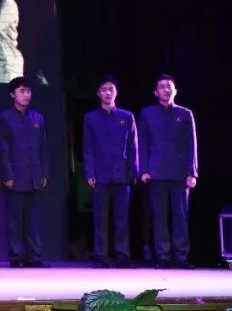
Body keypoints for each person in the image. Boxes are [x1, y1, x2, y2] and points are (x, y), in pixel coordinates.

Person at [138, 74, 197, 269]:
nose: (166, 89)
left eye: (169, 86)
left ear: (175, 90)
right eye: (162, 86)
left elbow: (192, 145)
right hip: (156, 172)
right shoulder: (147, 114)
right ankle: (163, 256)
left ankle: (181, 256)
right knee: (159, 217)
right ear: (156, 92)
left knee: (181, 217)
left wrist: (192, 172)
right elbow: (143, 143)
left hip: (180, 174)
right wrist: (144, 170)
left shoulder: (185, 114)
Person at [83, 75, 138, 268]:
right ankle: (100, 255)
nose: (108, 92)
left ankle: (122, 254)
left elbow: (133, 147)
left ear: (116, 92)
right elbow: (88, 147)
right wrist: (90, 172)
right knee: (100, 217)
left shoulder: (127, 116)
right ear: (98, 93)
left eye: (111, 89)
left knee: (122, 218)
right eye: (104, 89)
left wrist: (134, 172)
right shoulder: (90, 118)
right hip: (100, 174)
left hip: (122, 174)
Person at [0, 76, 49, 268]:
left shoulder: (37, 118)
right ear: (13, 94)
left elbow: (43, 147)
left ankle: (34, 256)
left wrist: (44, 173)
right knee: (15, 220)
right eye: (22, 91)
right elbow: (3, 149)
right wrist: (7, 175)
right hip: (15, 176)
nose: (26, 95)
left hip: (34, 175)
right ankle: (16, 257)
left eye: (28, 91)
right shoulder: (5, 118)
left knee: (33, 220)